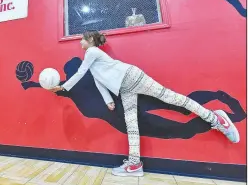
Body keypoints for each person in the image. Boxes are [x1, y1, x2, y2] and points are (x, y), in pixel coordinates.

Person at [50, 30, 240, 177]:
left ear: (90, 41)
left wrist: (64, 87)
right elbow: (100, 82)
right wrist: (108, 101)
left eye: (82, 39)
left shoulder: (91, 52)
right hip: (125, 89)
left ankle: (215, 118)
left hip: (132, 77)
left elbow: (80, 73)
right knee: (131, 122)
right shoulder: (93, 61)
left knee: (172, 98)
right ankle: (135, 164)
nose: (80, 42)